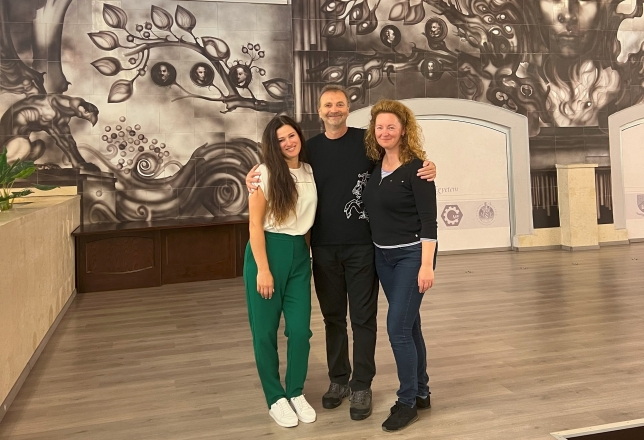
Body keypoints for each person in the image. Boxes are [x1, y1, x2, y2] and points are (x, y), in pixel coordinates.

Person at [246, 85, 436, 421]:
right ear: (319, 111)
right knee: (333, 319)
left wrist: (428, 166)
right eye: (327, 105)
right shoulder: (309, 151)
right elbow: (279, 166)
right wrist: (253, 176)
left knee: (363, 319)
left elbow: (399, 159)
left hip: (363, 247)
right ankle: (338, 380)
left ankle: (361, 384)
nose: (333, 109)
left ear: (348, 108)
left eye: (339, 104)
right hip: (322, 248)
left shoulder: (368, 142)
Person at [362, 99, 437, 432]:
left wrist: (426, 265)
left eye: (391, 126)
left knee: (397, 330)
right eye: (379, 127)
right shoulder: (375, 165)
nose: (385, 132)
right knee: (410, 326)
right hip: (383, 257)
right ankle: (421, 392)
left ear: (404, 129)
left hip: (411, 256)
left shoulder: (418, 169)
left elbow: (429, 222)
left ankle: (406, 403)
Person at [243, 115, 318, 428]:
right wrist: (263, 269)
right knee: (265, 332)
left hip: (299, 253)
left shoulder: (310, 170)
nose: (288, 143)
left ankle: (295, 391)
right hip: (268, 251)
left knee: (300, 330)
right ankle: (275, 397)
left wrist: (306, 256)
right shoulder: (264, 173)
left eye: (291, 136)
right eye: (280, 140)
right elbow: (254, 224)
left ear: (299, 136)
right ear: (272, 146)